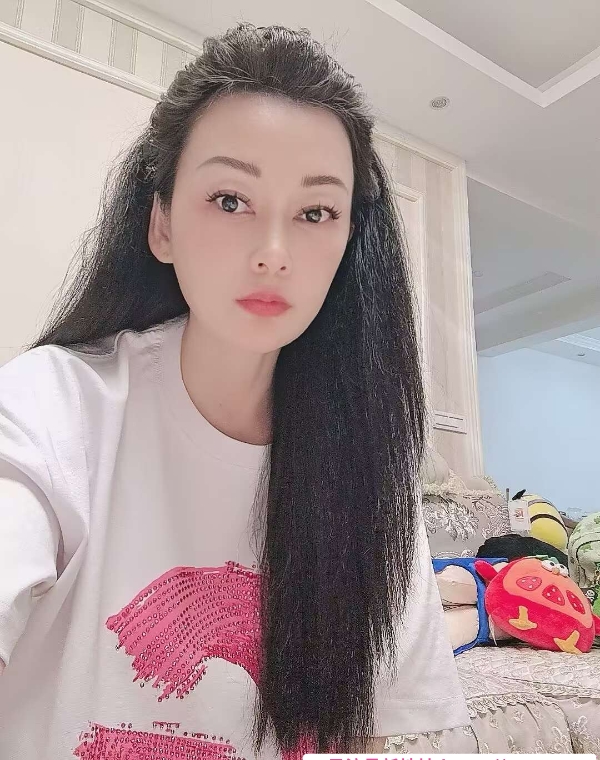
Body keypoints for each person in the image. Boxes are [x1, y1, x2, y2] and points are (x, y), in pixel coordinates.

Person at [0, 23, 471, 760]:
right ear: (161, 223)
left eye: (315, 213)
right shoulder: (56, 405)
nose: (273, 253)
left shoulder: (370, 474)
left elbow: (358, 739)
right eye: (229, 199)